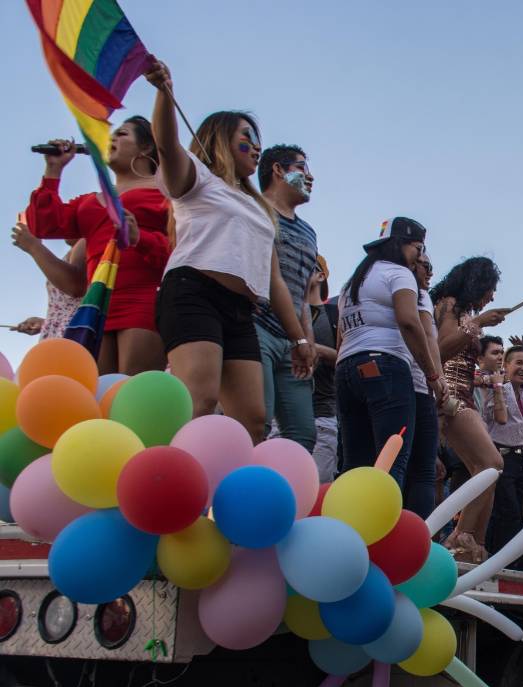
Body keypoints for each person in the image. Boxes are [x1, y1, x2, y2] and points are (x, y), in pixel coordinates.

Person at [144, 59, 314, 439]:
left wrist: (299, 339)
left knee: (253, 420)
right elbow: (167, 146)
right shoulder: (197, 179)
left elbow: (274, 281)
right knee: (198, 400)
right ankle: (168, 487)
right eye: (246, 139)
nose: (256, 148)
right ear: (220, 139)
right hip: (194, 293)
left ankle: (222, 495)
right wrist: (163, 93)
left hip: (241, 311)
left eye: (258, 141)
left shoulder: (258, 207)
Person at [24, 117, 169, 374]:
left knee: (133, 391)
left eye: (121, 134)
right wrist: (53, 170)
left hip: (143, 299)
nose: (110, 140)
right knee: (102, 392)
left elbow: (180, 247)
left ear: (146, 148)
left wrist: (141, 238)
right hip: (98, 303)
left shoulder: (165, 193)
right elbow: (44, 225)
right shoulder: (91, 200)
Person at [336, 217, 444, 504]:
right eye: (418, 248)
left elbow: (341, 336)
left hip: (347, 368)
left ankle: (348, 531)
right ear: (402, 245)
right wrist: (432, 374)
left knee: (354, 463)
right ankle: (382, 539)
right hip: (386, 367)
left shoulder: (352, 283)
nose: (420, 257)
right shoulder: (399, 274)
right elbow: (410, 323)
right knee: (391, 459)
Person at [431, 257, 507, 562]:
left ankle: (471, 542)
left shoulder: (463, 312)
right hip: (448, 398)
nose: (492, 296)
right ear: (476, 283)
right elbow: (440, 349)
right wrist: (479, 323)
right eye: (490, 288)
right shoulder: (449, 304)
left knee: (486, 470)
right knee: (491, 464)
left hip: (466, 396)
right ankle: (458, 537)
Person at [255, 145, 319, 450]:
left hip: (293, 343)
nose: (310, 177)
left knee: (303, 434)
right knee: (256, 422)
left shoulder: (310, 232)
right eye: (301, 168)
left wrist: (305, 340)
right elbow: (271, 278)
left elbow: (302, 295)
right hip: (257, 329)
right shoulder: (256, 209)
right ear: (278, 170)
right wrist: (300, 340)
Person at [483, 344, 523, 557]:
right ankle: (500, 560)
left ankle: (519, 558)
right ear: (506, 366)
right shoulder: (496, 389)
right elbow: (495, 418)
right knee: (507, 513)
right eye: (519, 363)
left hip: (522, 461)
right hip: (501, 457)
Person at [407, 250, 443, 520]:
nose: (430, 272)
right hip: (416, 387)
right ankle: (416, 537)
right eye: (425, 266)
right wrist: (437, 379)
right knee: (421, 470)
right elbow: (430, 341)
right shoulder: (417, 296)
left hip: (413, 385)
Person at [10, 222, 83, 341]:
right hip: (63, 336)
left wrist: (34, 246)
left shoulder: (85, 243)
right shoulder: (74, 251)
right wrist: (47, 324)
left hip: (71, 338)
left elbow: (75, 286)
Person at [307, 258, 338, 483]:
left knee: (316, 491)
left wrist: (313, 349)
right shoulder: (278, 314)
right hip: (278, 419)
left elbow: (348, 359)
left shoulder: (334, 314)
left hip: (322, 417)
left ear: (320, 276)